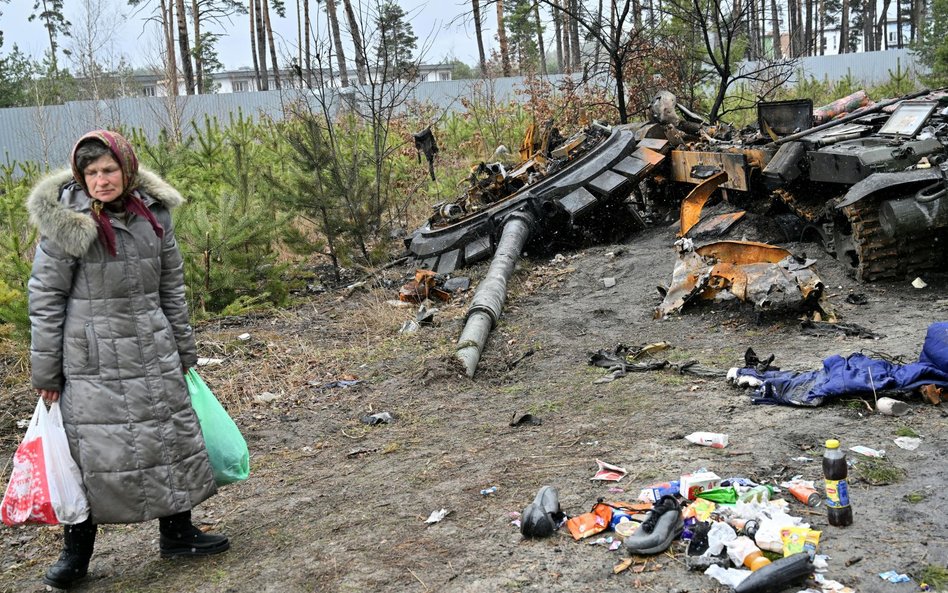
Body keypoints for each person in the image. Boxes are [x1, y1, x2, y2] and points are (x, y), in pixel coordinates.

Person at [26, 130, 229, 590]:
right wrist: (47, 371)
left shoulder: (152, 215)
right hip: (91, 358)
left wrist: (183, 347)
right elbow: (45, 296)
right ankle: (76, 555)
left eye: (109, 170)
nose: (101, 180)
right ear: (81, 177)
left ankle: (178, 533)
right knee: (92, 454)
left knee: (168, 436)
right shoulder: (69, 221)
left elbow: (171, 286)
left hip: (153, 346)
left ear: (127, 169)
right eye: (91, 173)